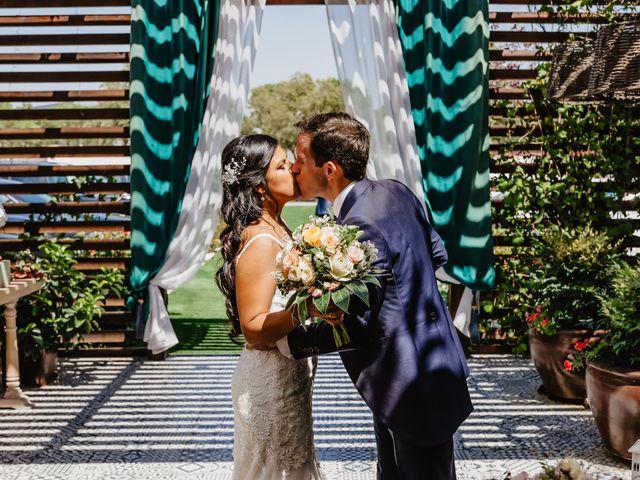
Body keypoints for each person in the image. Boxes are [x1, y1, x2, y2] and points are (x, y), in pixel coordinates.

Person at [276, 113, 473, 480]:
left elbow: (359, 323)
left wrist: (292, 341)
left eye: (301, 160)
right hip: (426, 366)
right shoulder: (396, 190)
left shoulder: (358, 223)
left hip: (410, 382)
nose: (294, 168)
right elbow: (435, 254)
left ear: (330, 169)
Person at [215, 134, 324, 480]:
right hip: (270, 384)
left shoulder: (276, 226)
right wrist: (309, 309)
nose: (294, 168)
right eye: (281, 165)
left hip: (288, 376)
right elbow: (253, 328)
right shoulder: (261, 240)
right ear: (260, 187)